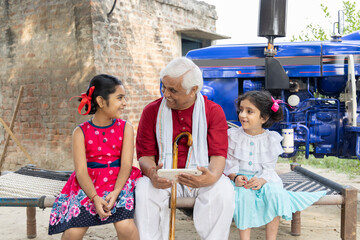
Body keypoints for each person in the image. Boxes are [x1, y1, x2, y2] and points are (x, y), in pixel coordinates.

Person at [135, 57, 235, 240]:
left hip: (201, 176)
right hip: (163, 178)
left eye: (173, 90)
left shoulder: (213, 111)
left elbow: (218, 155)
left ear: (193, 90)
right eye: (163, 87)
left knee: (224, 189)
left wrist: (211, 177)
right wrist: (152, 174)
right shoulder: (151, 111)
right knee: (143, 188)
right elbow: (145, 155)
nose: (165, 94)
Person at [48, 74, 141, 240]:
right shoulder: (80, 132)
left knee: (126, 227)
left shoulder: (126, 128)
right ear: (100, 101)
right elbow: (81, 171)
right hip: (89, 185)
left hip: (118, 182)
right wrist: (95, 198)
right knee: (72, 233)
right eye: (119, 98)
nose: (124, 103)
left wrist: (116, 191)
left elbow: (126, 164)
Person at [225, 90, 326, 240]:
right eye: (241, 110)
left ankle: (271, 238)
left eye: (249, 111)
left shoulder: (270, 139)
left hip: (264, 178)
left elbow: (269, 168)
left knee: (275, 194)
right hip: (240, 179)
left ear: (264, 118)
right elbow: (230, 162)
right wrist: (235, 177)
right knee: (243, 197)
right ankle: (244, 238)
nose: (242, 115)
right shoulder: (233, 136)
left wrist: (261, 180)